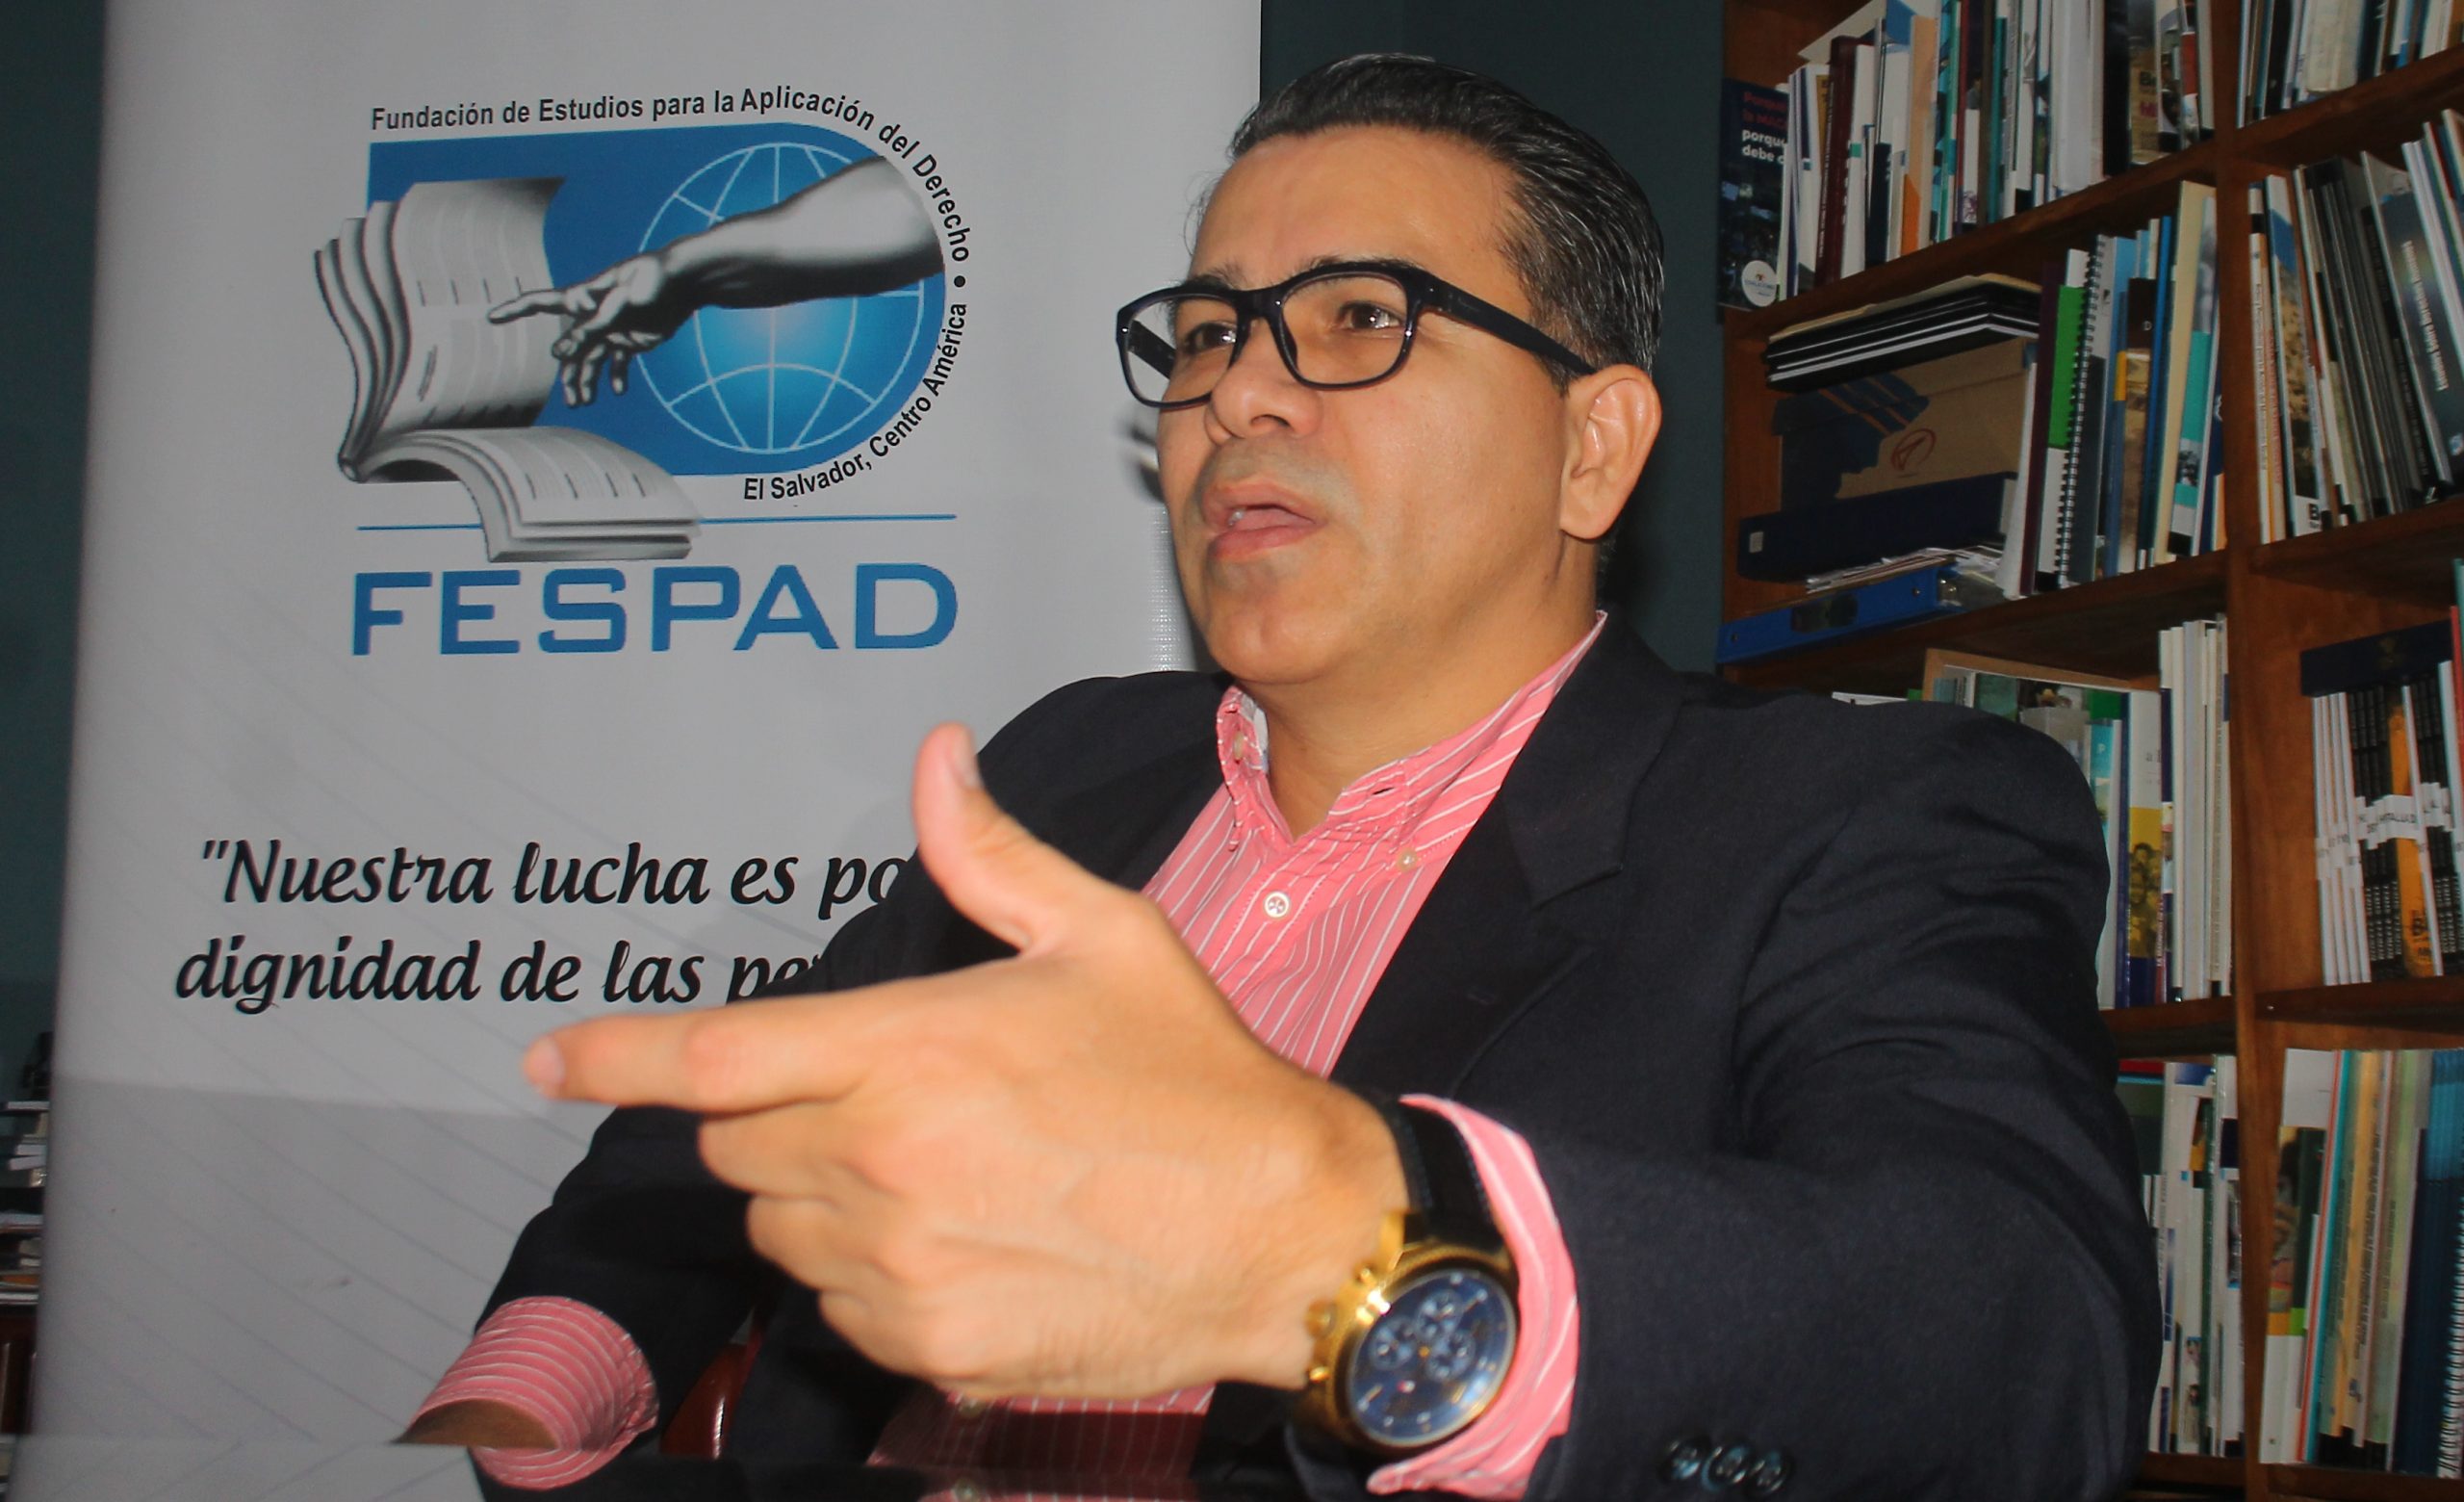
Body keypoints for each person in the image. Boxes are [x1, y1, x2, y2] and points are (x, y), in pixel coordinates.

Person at [407, 54, 2158, 1501]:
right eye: (1207, 334)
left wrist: (1348, 1254)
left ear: (1593, 445)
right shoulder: (1067, 768)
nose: (1241, 393)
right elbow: (718, 1136)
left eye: (1360, 317)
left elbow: (2020, 1352)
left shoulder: (1859, 815)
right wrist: (530, 1393)